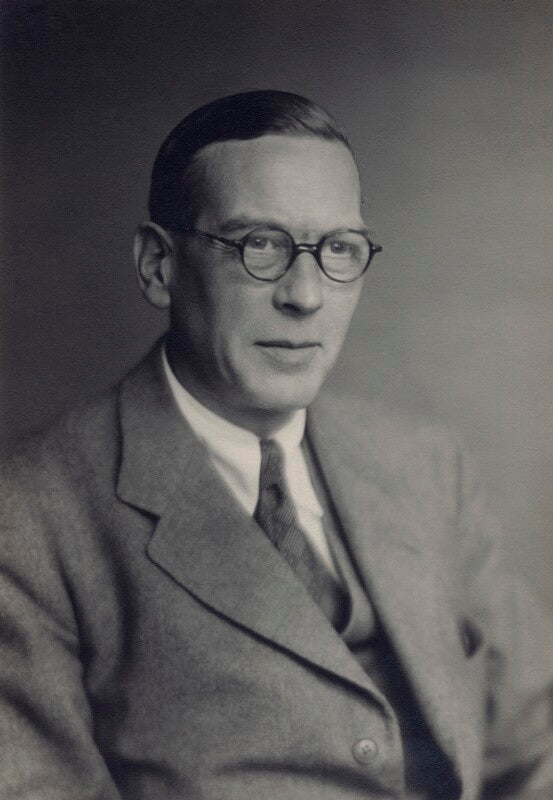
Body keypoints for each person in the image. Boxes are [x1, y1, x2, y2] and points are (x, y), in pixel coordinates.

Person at [0, 90, 551, 800]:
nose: (305, 295)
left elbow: (536, 745)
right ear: (159, 266)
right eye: (259, 244)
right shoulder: (28, 519)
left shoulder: (424, 463)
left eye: (339, 249)